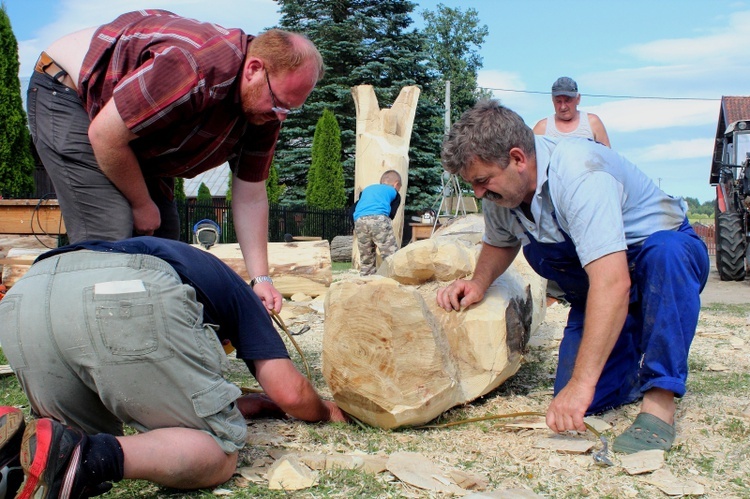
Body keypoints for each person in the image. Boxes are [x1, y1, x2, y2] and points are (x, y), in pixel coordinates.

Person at [436, 100, 709, 454]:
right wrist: (477, 283)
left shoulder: (579, 174)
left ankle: (660, 397)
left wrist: (582, 383)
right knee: (583, 401)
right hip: (606, 282)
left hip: (657, 265)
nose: (478, 193)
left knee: (665, 253)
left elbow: (612, 282)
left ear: (518, 158)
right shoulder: (503, 193)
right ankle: (630, 355)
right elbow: (500, 242)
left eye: (483, 181)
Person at [27, 10, 325, 314]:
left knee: (164, 241)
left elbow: (250, 196)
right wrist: (141, 204)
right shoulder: (194, 66)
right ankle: (89, 346)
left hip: (130, 134)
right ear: (254, 69)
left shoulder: (266, 112)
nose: (280, 117)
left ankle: (148, 344)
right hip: (69, 93)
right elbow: (105, 136)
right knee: (110, 237)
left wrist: (260, 278)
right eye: (278, 103)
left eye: (290, 109)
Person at [0, 237, 347, 498]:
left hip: (28, 293)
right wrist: (328, 410)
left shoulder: (183, 263)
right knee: (218, 449)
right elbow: (289, 393)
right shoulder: (244, 296)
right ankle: (87, 455)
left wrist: (232, 401)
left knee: (63, 440)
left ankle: (12, 456)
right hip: (122, 293)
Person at [533, 77, 611, 147]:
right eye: (558, 101)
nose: (563, 107)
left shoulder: (592, 123)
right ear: (552, 100)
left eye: (568, 101)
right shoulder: (542, 128)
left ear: (578, 99)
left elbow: (608, 157)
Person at [352, 170, 403, 275]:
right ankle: (395, 278)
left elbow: (353, 208)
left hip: (359, 220)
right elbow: (392, 213)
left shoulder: (366, 190)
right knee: (390, 254)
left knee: (366, 257)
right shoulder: (394, 192)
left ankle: (366, 281)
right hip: (379, 218)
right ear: (396, 184)